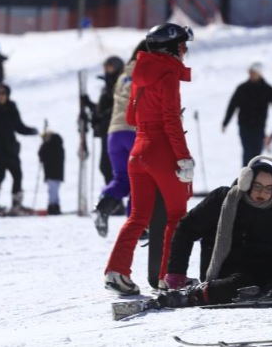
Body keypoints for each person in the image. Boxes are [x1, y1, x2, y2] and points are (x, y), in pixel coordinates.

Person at [104, 23, 195, 295]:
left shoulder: (138, 71)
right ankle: (170, 277)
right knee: (177, 215)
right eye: (183, 47)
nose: (185, 52)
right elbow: (170, 120)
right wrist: (183, 157)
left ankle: (116, 271)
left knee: (137, 216)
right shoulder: (168, 74)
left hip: (138, 149)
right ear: (175, 48)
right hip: (161, 149)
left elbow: (132, 117)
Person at [158, 156, 272, 307]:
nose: (262, 193)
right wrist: (176, 272)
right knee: (244, 282)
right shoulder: (223, 199)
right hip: (227, 270)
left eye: (269, 188)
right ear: (246, 182)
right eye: (257, 186)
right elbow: (185, 229)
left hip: (263, 268)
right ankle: (196, 295)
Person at [94, 43, 146, 237]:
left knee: (121, 178)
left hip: (114, 134)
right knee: (140, 179)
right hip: (134, 131)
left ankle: (102, 206)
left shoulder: (122, 76)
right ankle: (137, 225)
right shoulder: (146, 72)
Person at [0, 84, 38, 215]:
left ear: (8, 95)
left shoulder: (12, 108)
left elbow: (19, 126)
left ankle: (16, 205)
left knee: (17, 175)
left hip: (10, 148)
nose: (1, 96)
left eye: (3, 93)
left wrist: (31, 131)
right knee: (1, 173)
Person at [223, 63, 272, 166]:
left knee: (257, 153)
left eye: (253, 72)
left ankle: (256, 176)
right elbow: (232, 105)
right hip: (244, 125)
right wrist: (225, 122)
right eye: (250, 72)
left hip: (259, 125)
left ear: (259, 73)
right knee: (247, 151)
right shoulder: (242, 88)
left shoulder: (267, 89)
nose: (251, 74)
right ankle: (245, 177)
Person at [81, 56, 125, 186]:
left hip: (116, 131)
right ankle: (112, 199)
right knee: (105, 167)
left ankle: (115, 200)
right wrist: (88, 104)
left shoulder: (121, 84)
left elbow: (118, 107)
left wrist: (102, 116)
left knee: (111, 167)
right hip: (105, 130)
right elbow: (101, 110)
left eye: (109, 68)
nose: (106, 71)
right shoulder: (107, 86)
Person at [38, 130, 65, 215]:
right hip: (58, 173)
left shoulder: (48, 146)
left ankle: (52, 206)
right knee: (55, 190)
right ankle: (55, 205)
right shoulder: (59, 146)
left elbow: (42, 155)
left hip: (50, 172)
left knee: (52, 191)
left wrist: (43, 146)